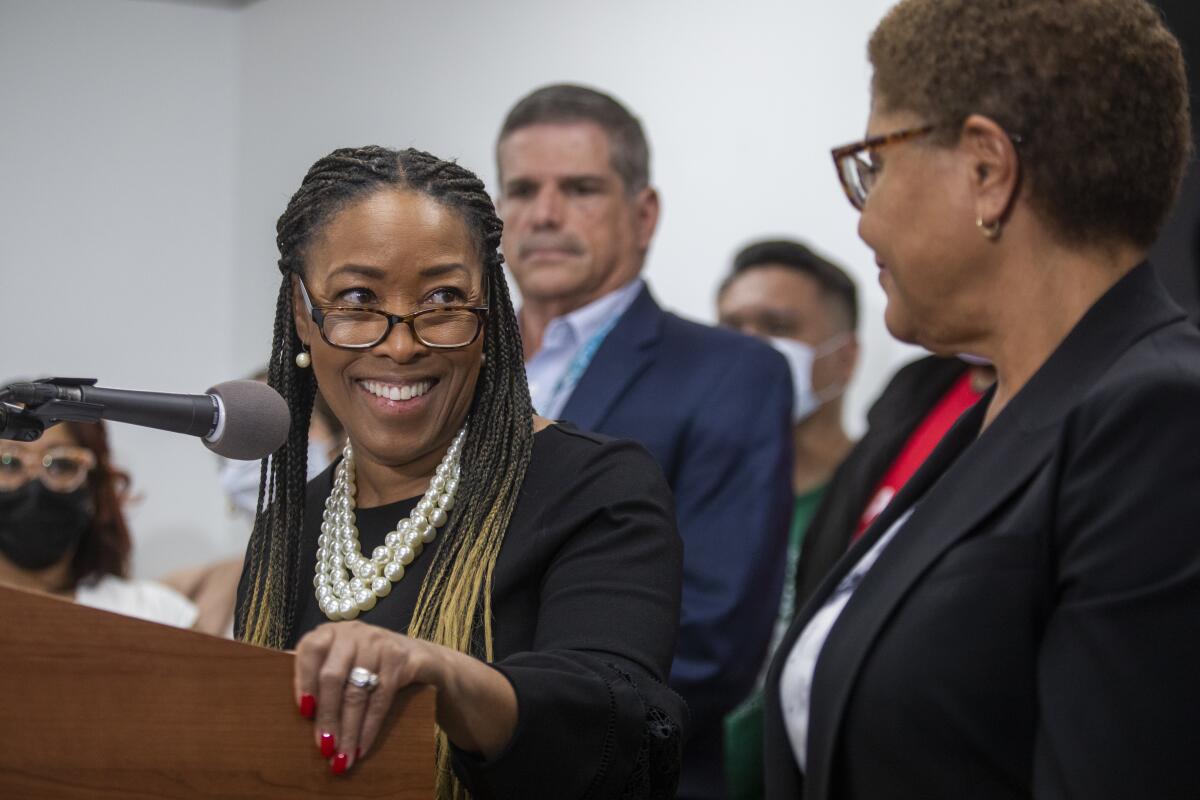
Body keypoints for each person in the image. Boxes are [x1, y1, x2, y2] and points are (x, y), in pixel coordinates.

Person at [764, 1, 1200, 798]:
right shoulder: (995, 413)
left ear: (987, 171)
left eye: (876, 163)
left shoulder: (1158, 420)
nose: (864, 223)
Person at [234, 146, 687, 798]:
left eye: (443, 298)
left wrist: (442, 674)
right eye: (358, 298)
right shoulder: (290, 523)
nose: (401, 343)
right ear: (305, 315)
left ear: (490, 313)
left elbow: (627, 738)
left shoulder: (595, 489)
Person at [496, 84, 794, 799]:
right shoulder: (453, 367)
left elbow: (713, 641)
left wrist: (478, 708)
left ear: (644, 212)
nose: (544, 214)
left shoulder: (731, 374)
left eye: (580, 188)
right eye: (522, 189)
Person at [714, 238, 858, 800]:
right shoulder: (682, 497)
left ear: (844, 357)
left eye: (776, 326)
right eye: (732, 328)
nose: (749, 350)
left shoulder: (883, 503)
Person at [163, 372, 345, 637]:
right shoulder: (192, 589)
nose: (261, 443)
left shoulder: (367, 576)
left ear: (338, 444)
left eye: (282, 421)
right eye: (244, 428)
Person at [0, 418, 197, 628]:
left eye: (61, 464)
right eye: (9, 462)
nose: (35, 483)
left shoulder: (157, 614)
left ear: (95, 488)